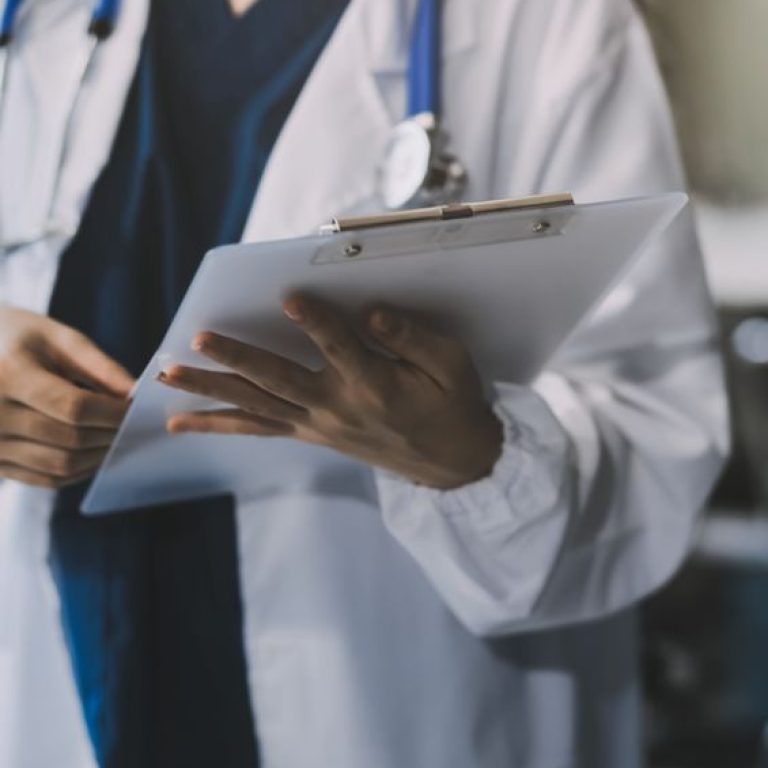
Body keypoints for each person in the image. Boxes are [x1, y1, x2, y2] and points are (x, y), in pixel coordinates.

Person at [0, 0, 728, 766]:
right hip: (63, 660)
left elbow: (656, 420)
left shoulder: (551, 24)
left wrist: (476, 459)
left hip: (392, 700)